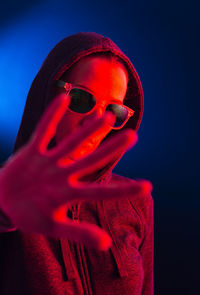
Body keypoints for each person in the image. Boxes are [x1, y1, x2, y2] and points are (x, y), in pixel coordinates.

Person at [0, 32, 154, 295]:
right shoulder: (12, 192)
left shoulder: (136, 203)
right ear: (48, 94)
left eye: (113, 111)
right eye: (82, 99)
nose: (96, 123)